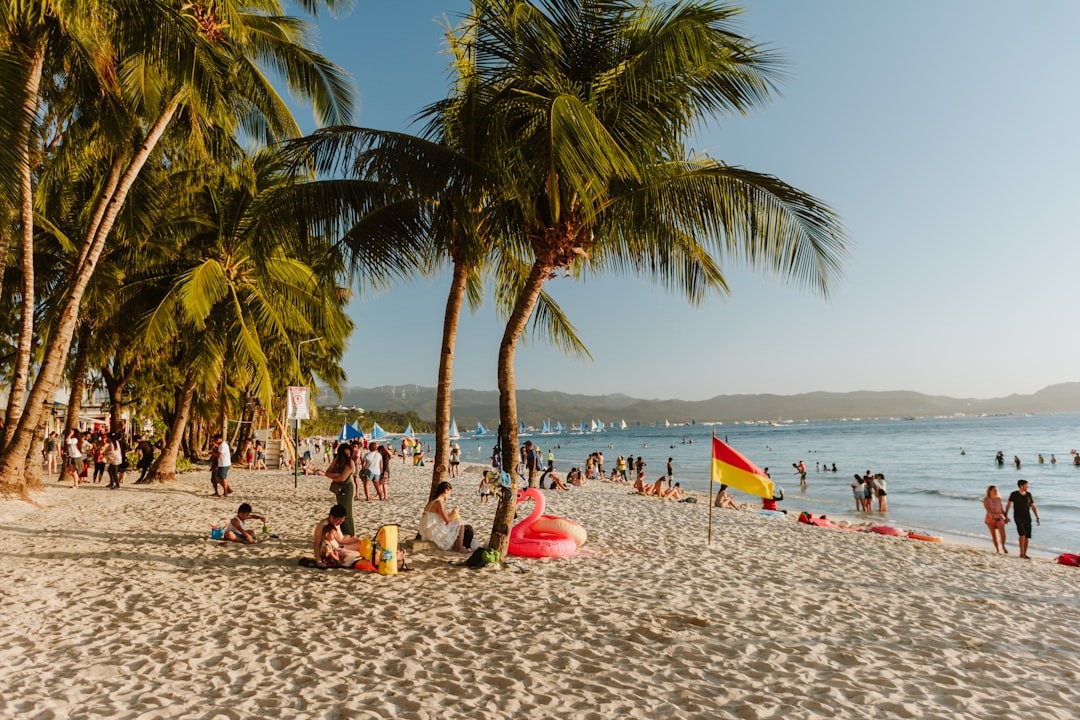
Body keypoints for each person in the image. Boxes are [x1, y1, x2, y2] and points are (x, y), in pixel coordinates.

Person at [420, 481, 469, 552]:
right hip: (434, 534)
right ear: (446, 490)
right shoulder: (438, 502)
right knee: (460, 523)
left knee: (456, 521)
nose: (449, 496)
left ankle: (457, 547)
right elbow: (447, 520)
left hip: (428, 533)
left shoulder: (432, 502)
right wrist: (454, 512)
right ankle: (460, 547)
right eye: (449, 493)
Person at [325, 444, 359, 536]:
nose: (347, 456)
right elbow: (327, 472)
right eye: (345, 454)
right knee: (340, 509)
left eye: (348, 454)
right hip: (339, 488)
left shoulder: (350, 463)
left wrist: (335, 477)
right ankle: (342, 531)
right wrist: (337, 475)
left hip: (347, 488)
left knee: (347, 510)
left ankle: (349, 532)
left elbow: (342, 478)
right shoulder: (337, 460)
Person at [1005, 479, 1040, 559]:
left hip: (1027, 517)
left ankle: (1025, 553)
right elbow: (1008, 505)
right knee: (1022, 534)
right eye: (1026, 485)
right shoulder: (1014, 494)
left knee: (1027, 536)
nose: (1027, 487)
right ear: (1021, 486)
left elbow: (1033, 506)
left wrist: (1037, 517)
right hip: (1017, 516)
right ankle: (1021, 553)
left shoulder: (1029, 494)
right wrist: (1006, 515)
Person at [982, 485, 1008, 554]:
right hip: (990, 518)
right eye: (994, 490)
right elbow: (988, 510)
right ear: (990, 491)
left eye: (996, 490)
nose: (996, 491)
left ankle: (1003, 546)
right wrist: (993, 516)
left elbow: (1001, 509)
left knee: (1003, 533)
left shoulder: (998, 499)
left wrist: (1006, 517)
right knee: (993, 535)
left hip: (999, 517)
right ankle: (997, 549)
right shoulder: (986, 499)